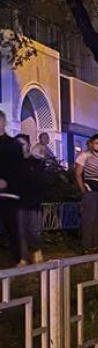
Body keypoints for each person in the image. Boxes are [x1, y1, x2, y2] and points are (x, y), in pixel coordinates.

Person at [17, 136, 56, 264]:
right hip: (17, 202)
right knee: (21, 230)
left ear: (28, 146)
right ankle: (23, 257)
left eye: (22, 144)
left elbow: (41, 181)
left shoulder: (35, 162)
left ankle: (37, 250)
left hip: (33, 202)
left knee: (34, 229)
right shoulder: (12, 163)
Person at [0, 111, 24, 264]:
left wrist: (6, 181)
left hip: (9, 194)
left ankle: (16, 258)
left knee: (11, 226)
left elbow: (18, 169)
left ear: (4, 122)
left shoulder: (13, 145)